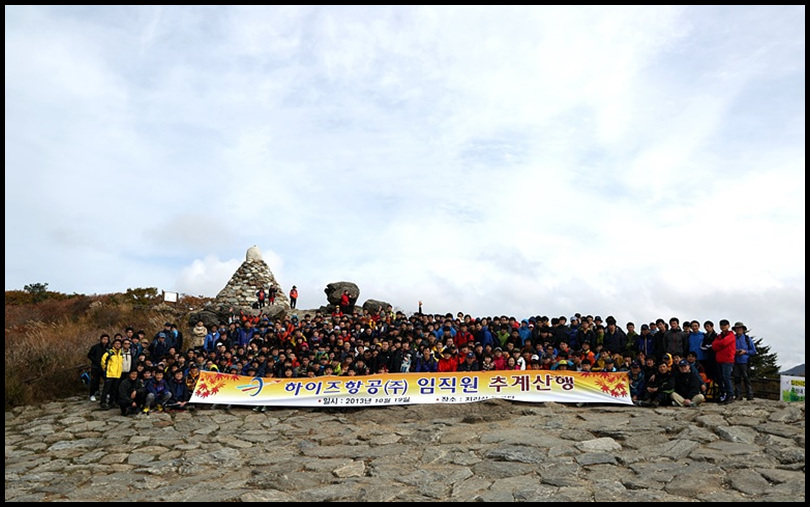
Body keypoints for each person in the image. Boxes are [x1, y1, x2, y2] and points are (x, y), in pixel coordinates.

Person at [711, 319, 737, 404]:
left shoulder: (731, 335)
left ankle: (730, 395)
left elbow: (724, 343)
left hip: (728, 360)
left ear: (728, 326)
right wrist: (720, 344)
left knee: (726, 378)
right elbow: (714, 346)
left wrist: (719, 344)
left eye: (725, 325)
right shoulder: (719, 336)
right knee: (720, 378)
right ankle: (723, 395)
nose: (723, 326)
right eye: (721, 325)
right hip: (719, 360)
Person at [732, 321, 756, 401]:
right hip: (735, 361)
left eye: (740, 328)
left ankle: (749, 395)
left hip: (745, 362)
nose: (738, 330)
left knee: (746, 378)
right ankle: (738, 395)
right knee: (737, 379)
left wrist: (745, 352)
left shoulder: (747, 339)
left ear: (743, 329)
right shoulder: (733, 339)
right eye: (737, 328)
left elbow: (753, 351)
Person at [99, 338, 124, 410]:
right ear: (113, 344)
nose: (117, 345)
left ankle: (112, 402)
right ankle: (102, 402)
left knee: (114, 389)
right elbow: (103, 362)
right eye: (116, 343)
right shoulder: (109, 353)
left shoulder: (121, 353)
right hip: (110, 374)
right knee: (106, 389)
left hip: (117, 374)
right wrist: (106, 370)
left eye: (119, 344)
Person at [86, 333, 110, 402]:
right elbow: (89, 355)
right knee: (94, 381)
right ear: (101, 339)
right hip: (95, 367)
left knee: (107, 381)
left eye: (106, 339)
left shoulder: (108, 348)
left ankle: (107, 393)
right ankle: (92, 394)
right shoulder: (95, 347)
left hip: (104, 367)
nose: (105, 341)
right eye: (104, 339)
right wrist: (95, 360)